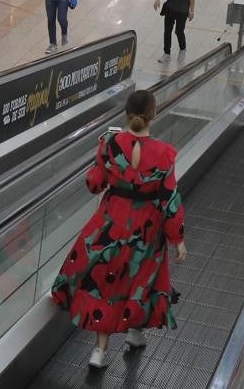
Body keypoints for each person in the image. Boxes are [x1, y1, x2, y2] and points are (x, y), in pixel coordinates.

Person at [50, 89, 186, 370]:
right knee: (140, 279)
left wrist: (105, 160)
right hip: (147, 229)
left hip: (110, 225)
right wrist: (178, 239)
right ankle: (136, 332)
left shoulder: (110, 145)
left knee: (106, 284)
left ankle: (99, 352)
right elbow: (170, 199)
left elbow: (94, 185)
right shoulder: (165, 154)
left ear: (126, 114)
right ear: (154, 114)